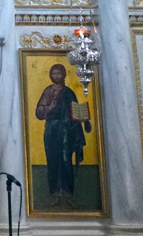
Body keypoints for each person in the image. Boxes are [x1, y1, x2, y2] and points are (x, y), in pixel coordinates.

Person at [35, 64, 89, 207]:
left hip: (66, 131)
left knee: (66, 162)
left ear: (64, 75)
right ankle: (54, 194)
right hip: (52, 130)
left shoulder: (69, 92)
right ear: (51, 75)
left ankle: (68, 194)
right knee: (53, 161)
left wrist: (83, 118)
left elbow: (75, 110)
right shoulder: (48, 91)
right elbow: (39, 112)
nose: (57, 76)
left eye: (59, 73)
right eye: (54, 73)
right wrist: (50, 107)